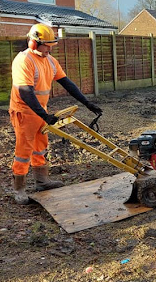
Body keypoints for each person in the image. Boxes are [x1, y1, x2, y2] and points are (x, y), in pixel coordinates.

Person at [9, 24, 103, 205]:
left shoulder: (50, 61)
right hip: (24, 112)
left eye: (52, 45)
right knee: (24, 151)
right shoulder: (24, 61)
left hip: (40, 111)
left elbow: (67, 83)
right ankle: (19, 189)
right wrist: (44, 116)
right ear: (34, 43)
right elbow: (25, 92)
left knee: (40, 146)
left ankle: (42, 182)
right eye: (47, 45)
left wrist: (87, 103)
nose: (50, 49)